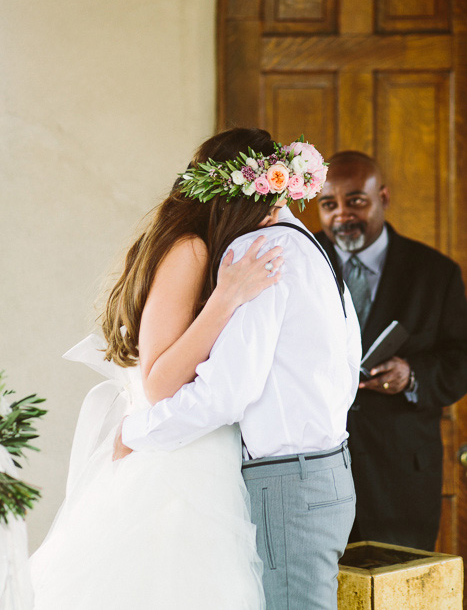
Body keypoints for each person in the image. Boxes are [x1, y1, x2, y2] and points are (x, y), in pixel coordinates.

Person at [30, 128, 292, 610]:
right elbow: (158, 383)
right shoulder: (189, 248)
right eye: (269, 204)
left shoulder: (196, 245)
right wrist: (228, 296)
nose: (275, 218)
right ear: (237, 200)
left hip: (195, 447)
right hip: (177, 461)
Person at [115, 137, 362, 610]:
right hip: (331, 469)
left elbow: (226, 393)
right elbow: (350, 362)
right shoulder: (314, 246)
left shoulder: (259, 251)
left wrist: (138, 431)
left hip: (289, 480)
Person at [315, 150, 467, 551]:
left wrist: (412, 375)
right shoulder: (297, 260)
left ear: (383, 196)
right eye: (328, 205)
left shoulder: (436, 273)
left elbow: (460, 360)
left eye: (356, 201)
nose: (341, 215)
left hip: (402, 479)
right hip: (314, 474)